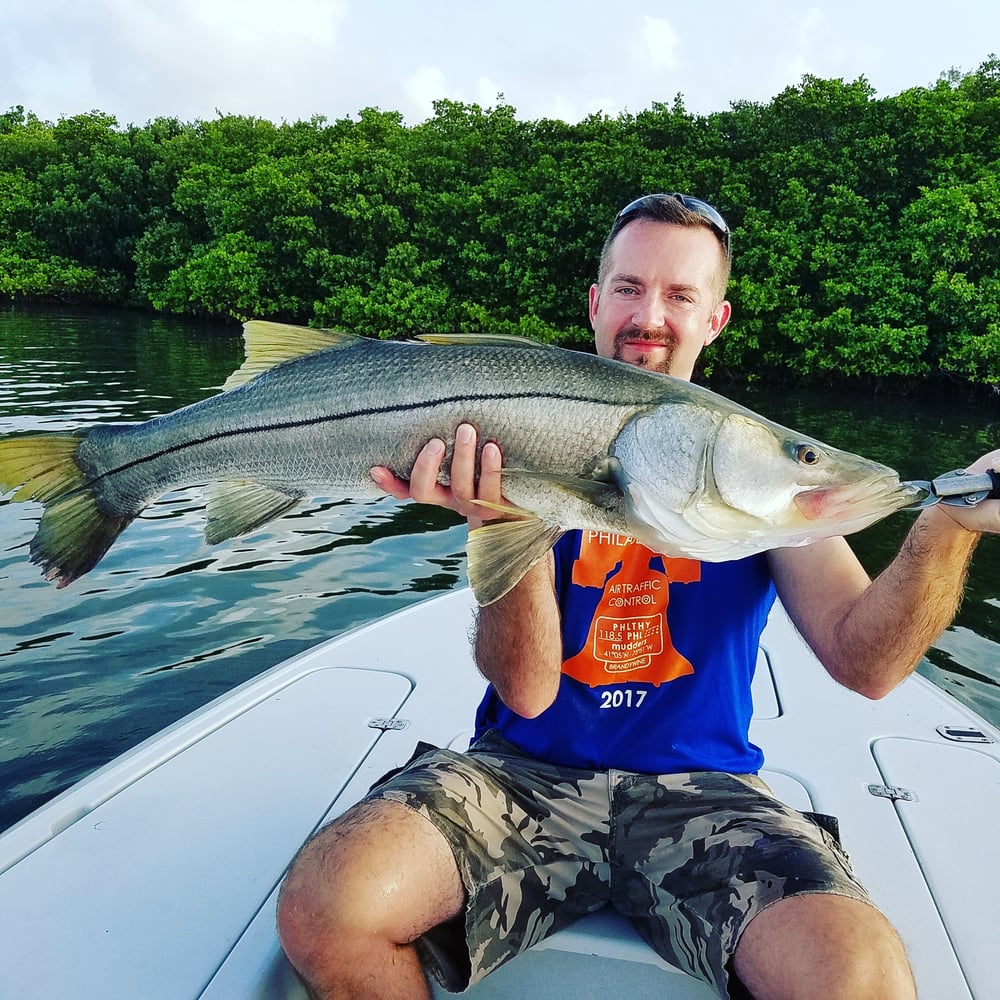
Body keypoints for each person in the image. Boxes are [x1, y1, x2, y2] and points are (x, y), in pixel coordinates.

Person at [277, 193, 1000, 999]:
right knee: (327, 906)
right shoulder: (521, 427)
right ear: (595, 301)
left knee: (860, 979)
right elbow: (527, 689)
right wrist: (496, 518)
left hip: (706, 795)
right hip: (523, 775)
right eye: (628, 288)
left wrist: (946, 527)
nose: (648, 315)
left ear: (715, 319)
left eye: (680, 295)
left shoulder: (768, 495)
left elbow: (867, 665)